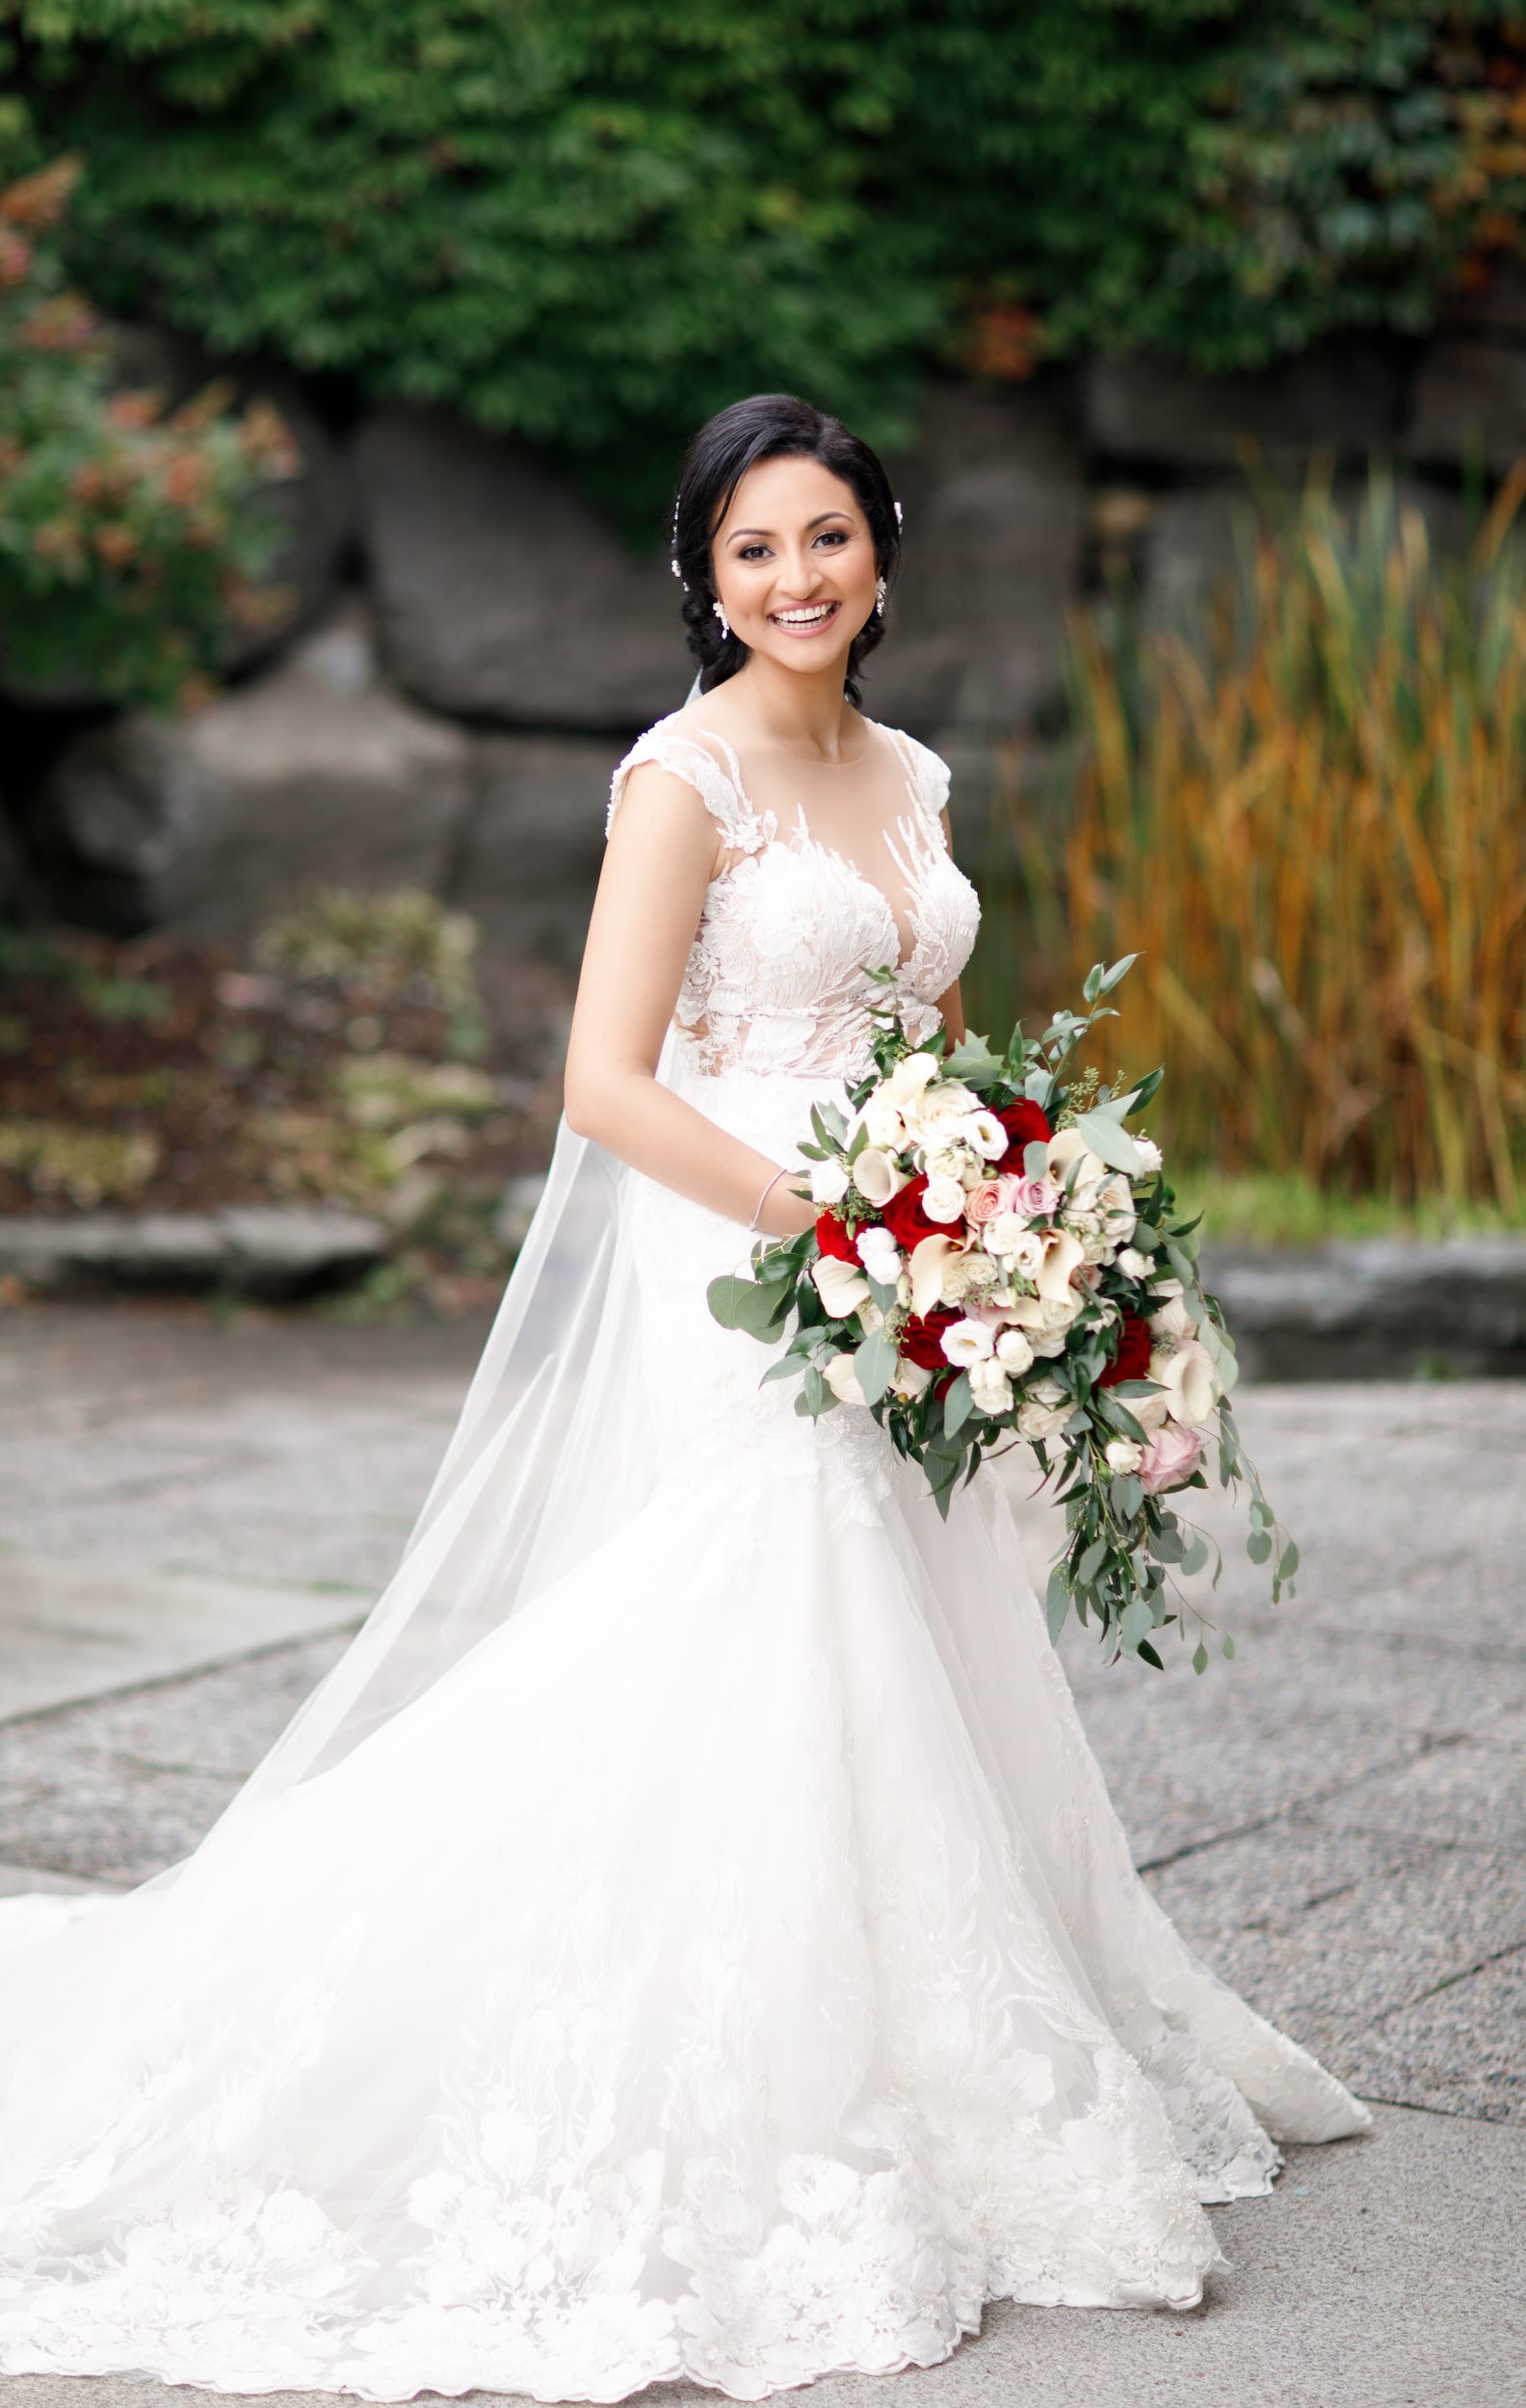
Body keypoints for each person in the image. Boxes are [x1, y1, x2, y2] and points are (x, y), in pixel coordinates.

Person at [0, 393, 1369, 2403]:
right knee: (772, 1580)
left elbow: (945, 1042)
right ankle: (740, 2057)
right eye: (751, 550)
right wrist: (852, 1224)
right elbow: (607, 1083)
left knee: (900, 1596)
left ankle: (928, 2025)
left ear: (881, 549)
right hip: (739, 1239)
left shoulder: (910, 773)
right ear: (702, 578)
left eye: (825, 537)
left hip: (897, 1242)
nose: (794, 579)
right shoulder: (683, 778)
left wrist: (1028, 1227)